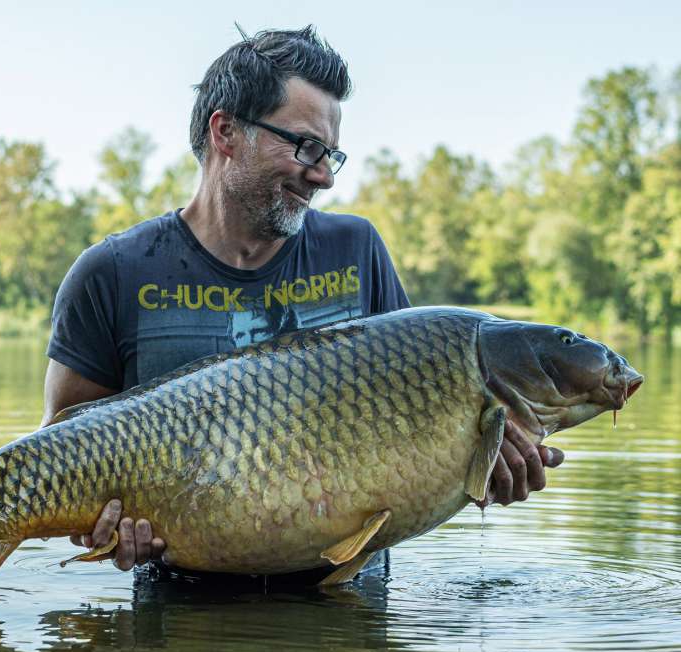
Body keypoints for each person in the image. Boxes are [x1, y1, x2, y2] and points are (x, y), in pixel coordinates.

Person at [40, 26, 563, 581]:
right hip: (181, 611)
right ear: (226, 132)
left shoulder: (357, 250)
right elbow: (62, 454)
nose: (322, 177)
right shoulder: (112, 274)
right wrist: (102, 525)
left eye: (330, 155)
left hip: (350, 606)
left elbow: (424, 430)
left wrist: (485, 463)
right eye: (307, 148)